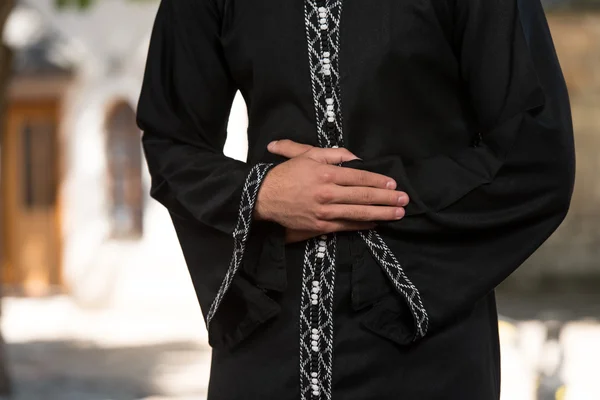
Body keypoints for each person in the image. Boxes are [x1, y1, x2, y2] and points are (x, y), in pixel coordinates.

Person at [136, 0, 575, 398]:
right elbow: (172, 139)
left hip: (421, 332)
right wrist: (263, 194)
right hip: (267, 334)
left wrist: (362, 192)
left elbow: (535, 156)